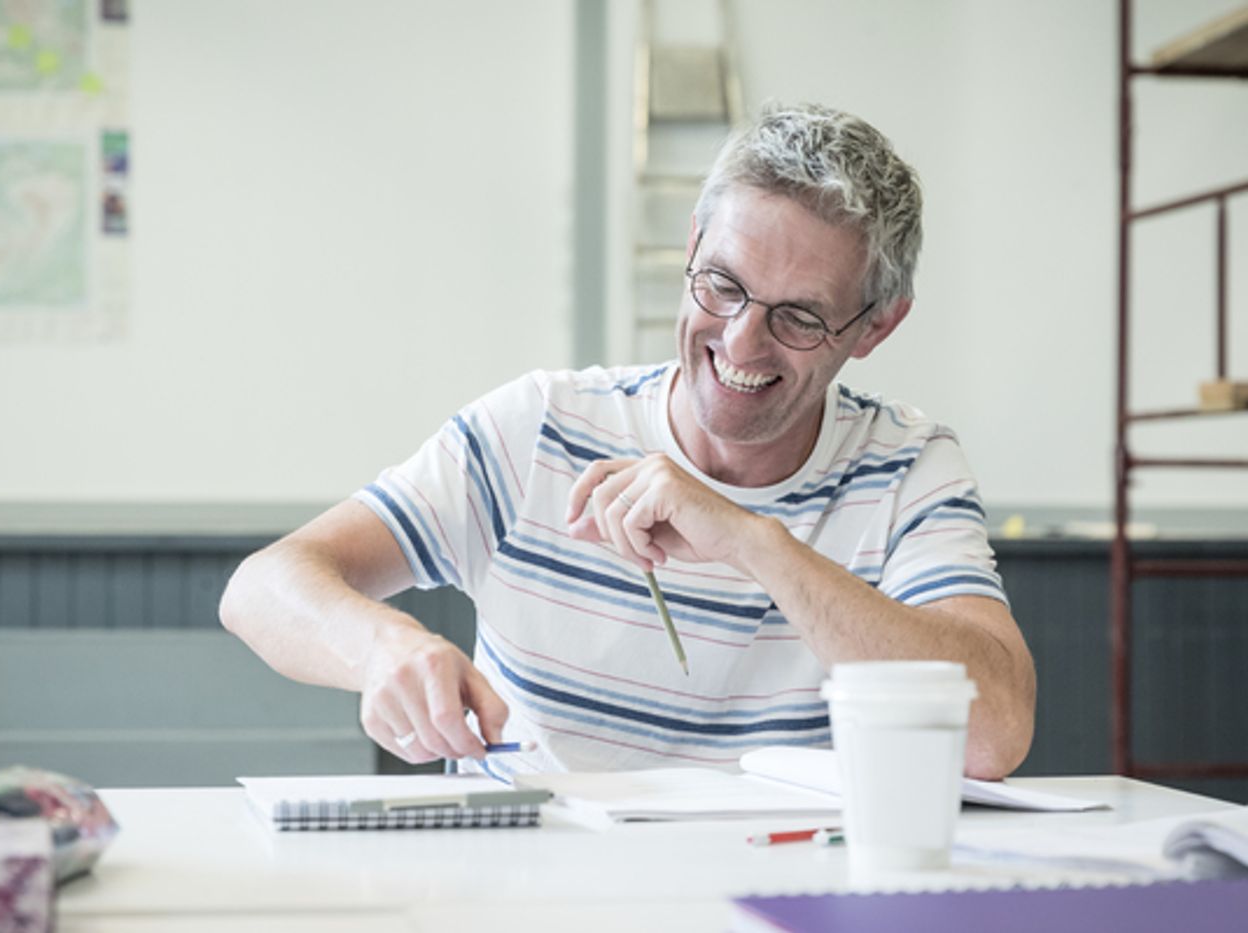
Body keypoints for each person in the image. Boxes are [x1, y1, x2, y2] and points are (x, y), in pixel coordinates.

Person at [220, 102, 1036, 782]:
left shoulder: (905, 467)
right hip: (532, 897)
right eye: (721, 285)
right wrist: (382, 648)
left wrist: (754, 543)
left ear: (876, 326)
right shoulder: (542, 425)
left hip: (780, 897)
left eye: (799, 316)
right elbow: (262, 587)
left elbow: (992, 734)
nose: (742, 343)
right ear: (691, 248)